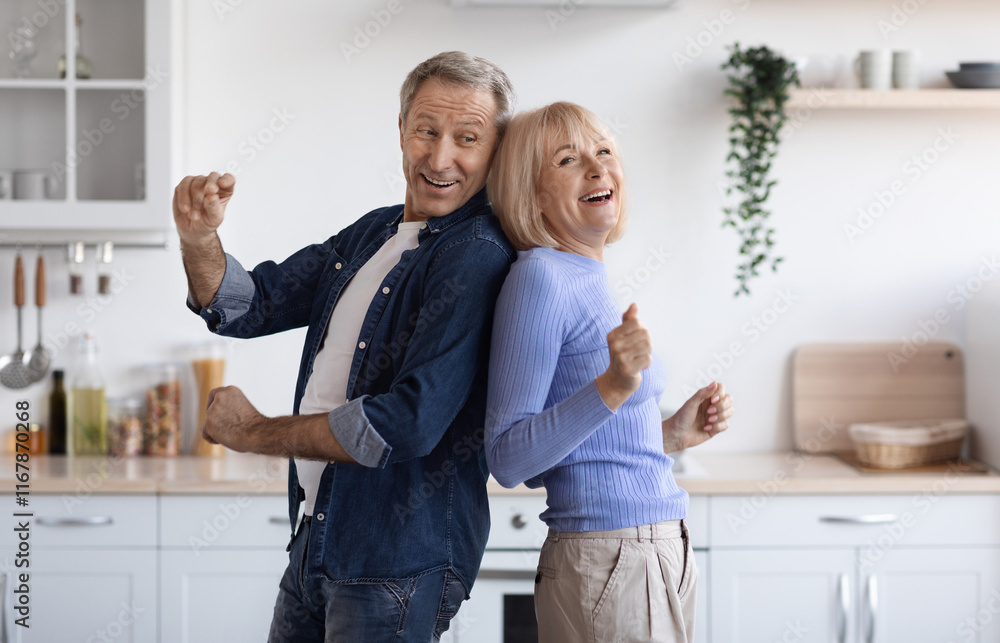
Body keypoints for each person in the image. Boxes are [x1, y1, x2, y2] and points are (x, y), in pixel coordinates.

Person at [173, 51, 516, 642]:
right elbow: (248, 304)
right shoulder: (371, 232)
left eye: (468, 138)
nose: (440, 158)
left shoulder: (475, 253)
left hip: (394, 565)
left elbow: (406, 422)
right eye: (426, 131)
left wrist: (254, 432)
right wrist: (199, 237)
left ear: (496, 151)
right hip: (317, 539)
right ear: (402, 130)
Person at [484, 101, 734, 643]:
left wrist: (668, 436)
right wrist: (615, 386)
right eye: (568, 160)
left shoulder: (583, 274)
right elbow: (509, 458)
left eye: (603, 152)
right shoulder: (541, 278)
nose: (597, 169)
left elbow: (570, 454)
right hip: (616, 554)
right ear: (532, 194)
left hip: (643, 551)